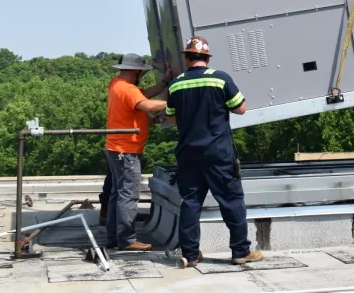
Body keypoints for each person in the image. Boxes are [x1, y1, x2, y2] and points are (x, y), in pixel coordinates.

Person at [166, 36, 262, 268]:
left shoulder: (176, 84)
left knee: (190, 203)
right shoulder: (220, 79)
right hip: (217, 153)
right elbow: (241, 108)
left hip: (188, 153)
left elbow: (170, 116)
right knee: (231, 200)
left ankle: (189, 255)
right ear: (207, 59)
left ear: (187, 58)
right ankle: (240, 251)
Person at [105, 53, 170, 251]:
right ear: (136, 71)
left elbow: (145, 96)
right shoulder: (128, 89)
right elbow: (147, 104)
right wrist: (179, 102)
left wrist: (166, 81)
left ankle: (114, 237)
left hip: (115, 148)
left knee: (117, 194)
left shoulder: (116, 84)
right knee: (128, 195)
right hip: (127, 151)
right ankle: (127, 240)